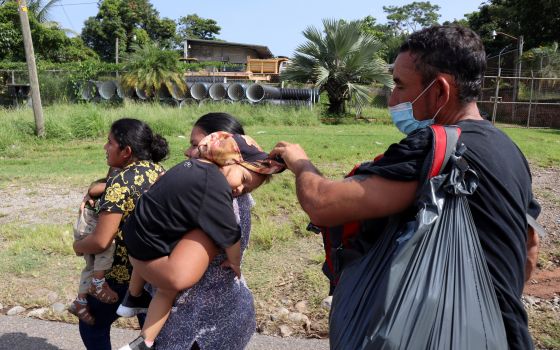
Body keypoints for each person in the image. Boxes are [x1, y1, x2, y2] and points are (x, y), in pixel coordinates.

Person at [270, 25, 541, 349]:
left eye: (399, 85)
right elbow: (530, 244)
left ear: (440, 91)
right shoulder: (508, 149)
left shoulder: (435, 149)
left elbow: (323, 204)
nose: (392, 97)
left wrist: (299, 162)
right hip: (505, 335)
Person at [117, 130, 285, 350]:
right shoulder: (215, 188)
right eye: (243, 180)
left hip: (133, 231)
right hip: (154, 250)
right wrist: (234, 261)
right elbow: (230, 234)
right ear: (225, 161)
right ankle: (144, 341)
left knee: (146, 261)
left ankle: (132, 297)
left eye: (248, 188)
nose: (241, 190)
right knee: (167, 291)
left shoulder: (186, 168)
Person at [73, 118, 168, 350]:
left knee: (92, 325)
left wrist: (78, 246)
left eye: (109, 142)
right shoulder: (160, 171)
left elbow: (101, 240)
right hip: (156, 271)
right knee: (151, 335)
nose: (105, 148)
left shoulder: (119, 184)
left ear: (126, 151)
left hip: (120, 274)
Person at [68, 167, 120, 325]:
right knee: (107, 244)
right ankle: (98, 284)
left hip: (84, 231)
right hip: (89, 232)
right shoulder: (105, 189)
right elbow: (95, 190)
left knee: (90, 267)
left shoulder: (100, 188)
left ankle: (80, 301)